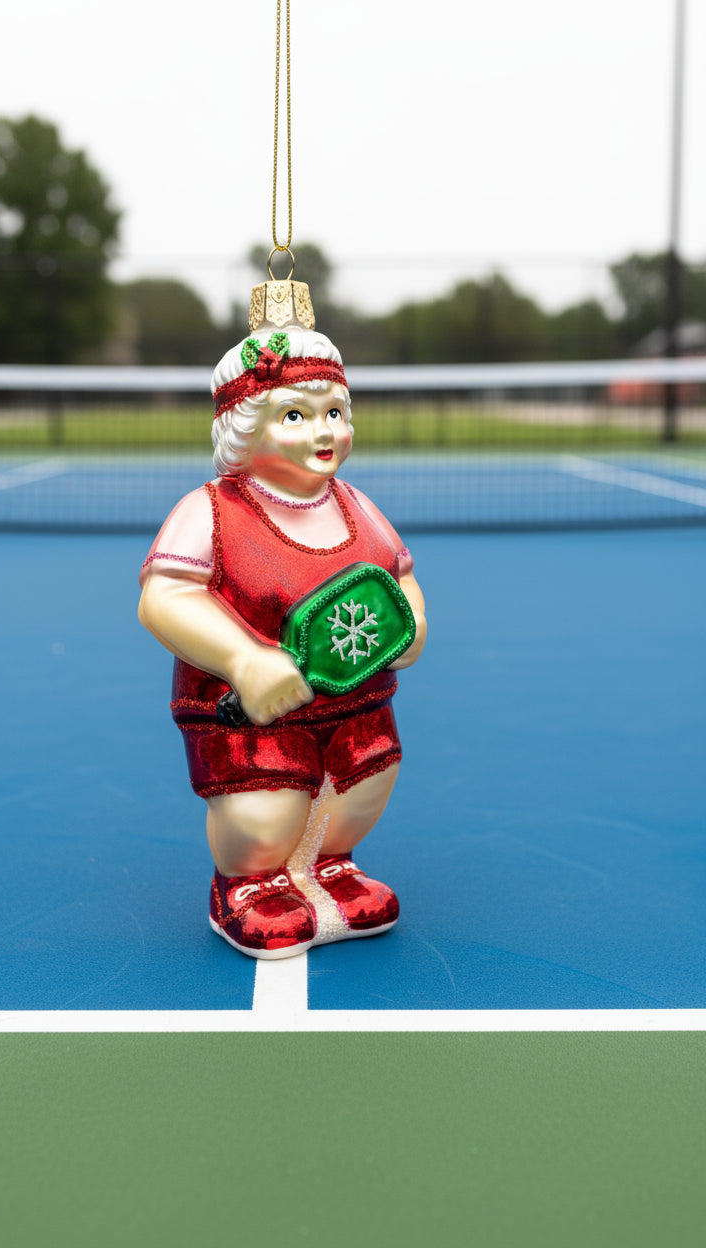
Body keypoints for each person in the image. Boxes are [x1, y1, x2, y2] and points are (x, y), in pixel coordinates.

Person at [138, 312, 426, 960]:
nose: (324, 431)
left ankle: (331, 866)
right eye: (295, 415)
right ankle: (247, 885)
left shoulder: (358, 505)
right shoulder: (210, 511)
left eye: (334, 412)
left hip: (358, 699)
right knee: (264, 814)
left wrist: (411, 624)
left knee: (363, 786)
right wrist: (242, 657)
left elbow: (398, 577)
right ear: (245, 427)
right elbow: (164, 598)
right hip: (252, 714)